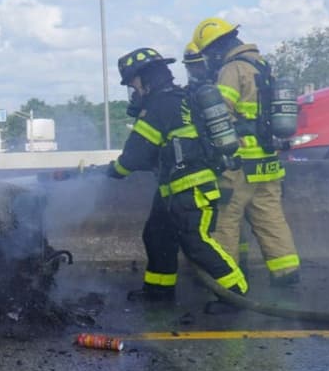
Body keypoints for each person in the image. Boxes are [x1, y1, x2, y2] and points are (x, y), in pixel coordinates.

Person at [105, 47, 247, 301]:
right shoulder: (178, 98)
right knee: (157, 235)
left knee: (196, 242)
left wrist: (114, 171)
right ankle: (160, 289)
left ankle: (236, 293)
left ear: (146, 78)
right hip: (172, 190)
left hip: (191, 188)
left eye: (133, 83)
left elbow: (136, 155)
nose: (134, 91)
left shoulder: (159, 105)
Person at [190, 18, 301, 286]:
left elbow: (221, 114)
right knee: (271, 220)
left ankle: (225, 283)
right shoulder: (262, 66)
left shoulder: (232, 69)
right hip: (268, 162)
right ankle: (286, 275)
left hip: (239, 164)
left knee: (225, 222)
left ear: (216, 49)